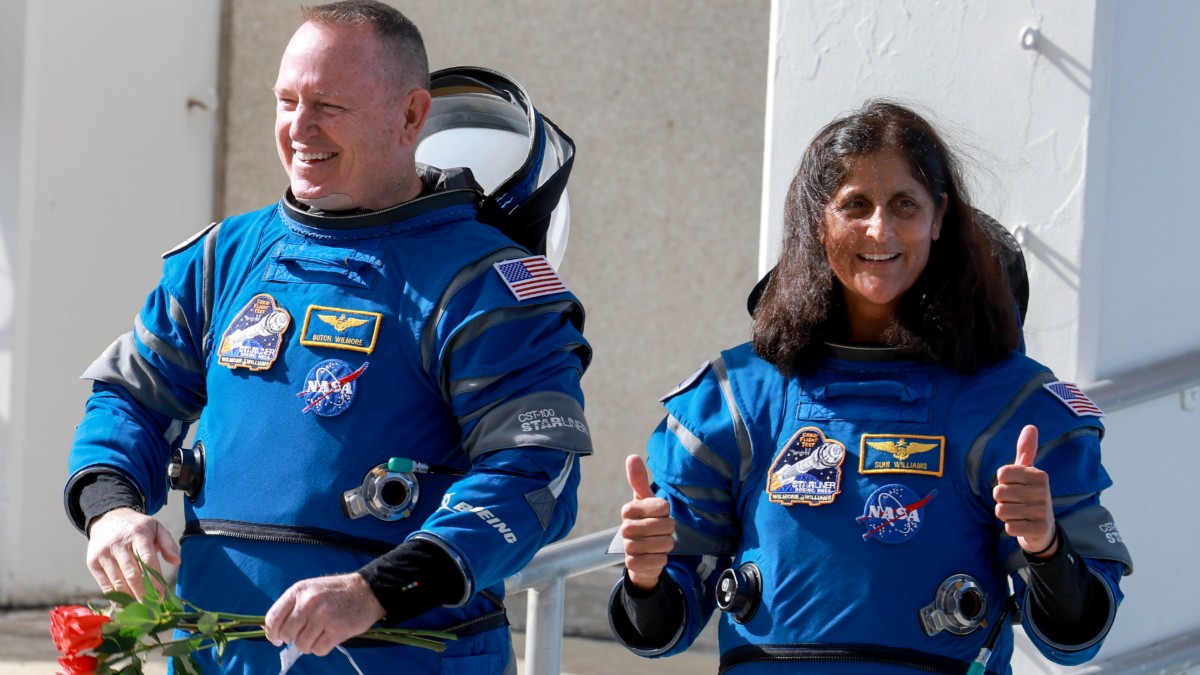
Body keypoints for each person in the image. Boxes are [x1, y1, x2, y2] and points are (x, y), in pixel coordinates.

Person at [63, 2, 591, 673]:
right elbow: (129, 399)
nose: (299, 128)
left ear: (410, 117)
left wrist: (376, 590)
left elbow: (536, 475)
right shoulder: (224, 258)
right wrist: (111, 510)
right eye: (287, 100)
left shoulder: (484, 284)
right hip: (217, 658)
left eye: (328, 105)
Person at [608, 100, 1131, 674]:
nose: (879, 229)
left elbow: (1078, 636)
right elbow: (659, 628)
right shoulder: (738, 397)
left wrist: (1046, 547)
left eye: (904, 204)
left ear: (939, 217)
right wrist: (646, 577)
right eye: (855, 205)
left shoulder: (1013, 408)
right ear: (818, 220)